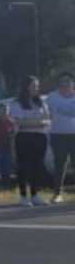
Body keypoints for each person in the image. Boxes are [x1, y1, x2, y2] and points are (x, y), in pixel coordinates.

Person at [11, 76, 51, 207]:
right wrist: (38, 122)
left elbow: (47, 118)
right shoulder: (17, 103)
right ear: (26, 87)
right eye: (34, 86)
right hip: (24, 137)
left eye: (37, 86)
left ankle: (35, 195)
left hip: (40, 137)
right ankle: (23, 196)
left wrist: (34, 122)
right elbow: (19, 122)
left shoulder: (41, 102)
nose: (36, 88)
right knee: (24, 167)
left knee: (37, 167)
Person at [46, 72, 75, 203]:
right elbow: (57, 108)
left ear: (73, 83)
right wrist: (68, 108)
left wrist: (64, 108)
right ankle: (57, 194)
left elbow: (66, 110)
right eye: (63, 81)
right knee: (60, 165)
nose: (66, 84)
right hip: (58, 135)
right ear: (58, 84)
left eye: (68, 81)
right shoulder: (52, 96)